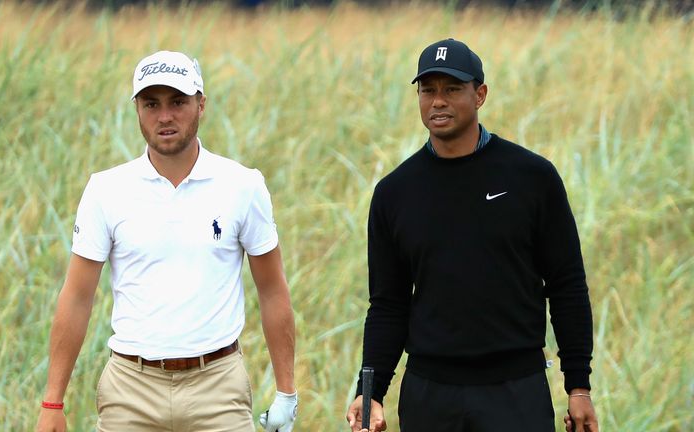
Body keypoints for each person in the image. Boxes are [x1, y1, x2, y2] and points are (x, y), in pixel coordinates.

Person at [345, 38, 599, 432]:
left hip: (516, 390)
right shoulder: (395, 192)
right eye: (428, 90)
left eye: (452, 89)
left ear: (480, 94)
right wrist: (370, 390)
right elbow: (388, 304)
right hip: (430, 394)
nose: (438, 102)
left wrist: (578, 386)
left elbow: (566, 285)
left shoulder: (532, 177)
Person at [36, 50, 297, 432]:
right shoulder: (106, 190)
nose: (165, 116)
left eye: (178, 102)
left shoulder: (243, 185)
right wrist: (52, 403)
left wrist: (286, 394)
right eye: (151, 104)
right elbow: (76, 296)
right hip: (130, 390)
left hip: (218, 388)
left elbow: (273, 290)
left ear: (201, 104)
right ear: (138, 110)